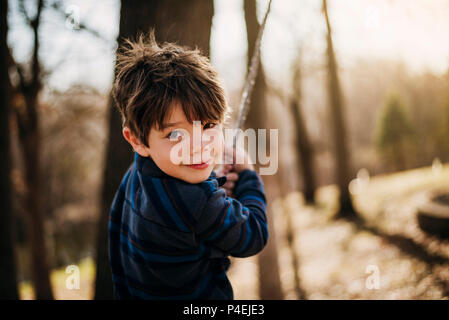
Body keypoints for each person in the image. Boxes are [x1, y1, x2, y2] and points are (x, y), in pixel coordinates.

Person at [108, 32, 268, 299]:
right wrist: (248, 175)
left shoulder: (137, 173)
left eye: (208, 126)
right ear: (137, 140)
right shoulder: (199, 204)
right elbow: (254, 234)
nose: (199, 146)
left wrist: (214, 187)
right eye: (175, 135)